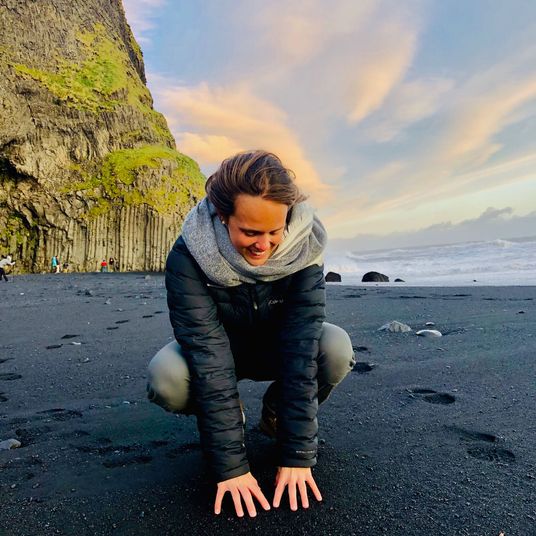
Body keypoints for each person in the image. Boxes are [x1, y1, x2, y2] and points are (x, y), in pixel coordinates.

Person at [146, 150, 355, 518]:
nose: (264, 244)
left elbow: (302, 346)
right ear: (223, 215)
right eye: (250, 232)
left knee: (336, 349)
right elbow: (207, 355)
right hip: (219, 351)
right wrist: (231, 468)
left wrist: (297, 454)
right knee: (166, 378)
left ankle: (275, 413)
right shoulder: (189, 254)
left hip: (278, 348)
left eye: (274, 231)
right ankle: (233, 415)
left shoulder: (305, 247)